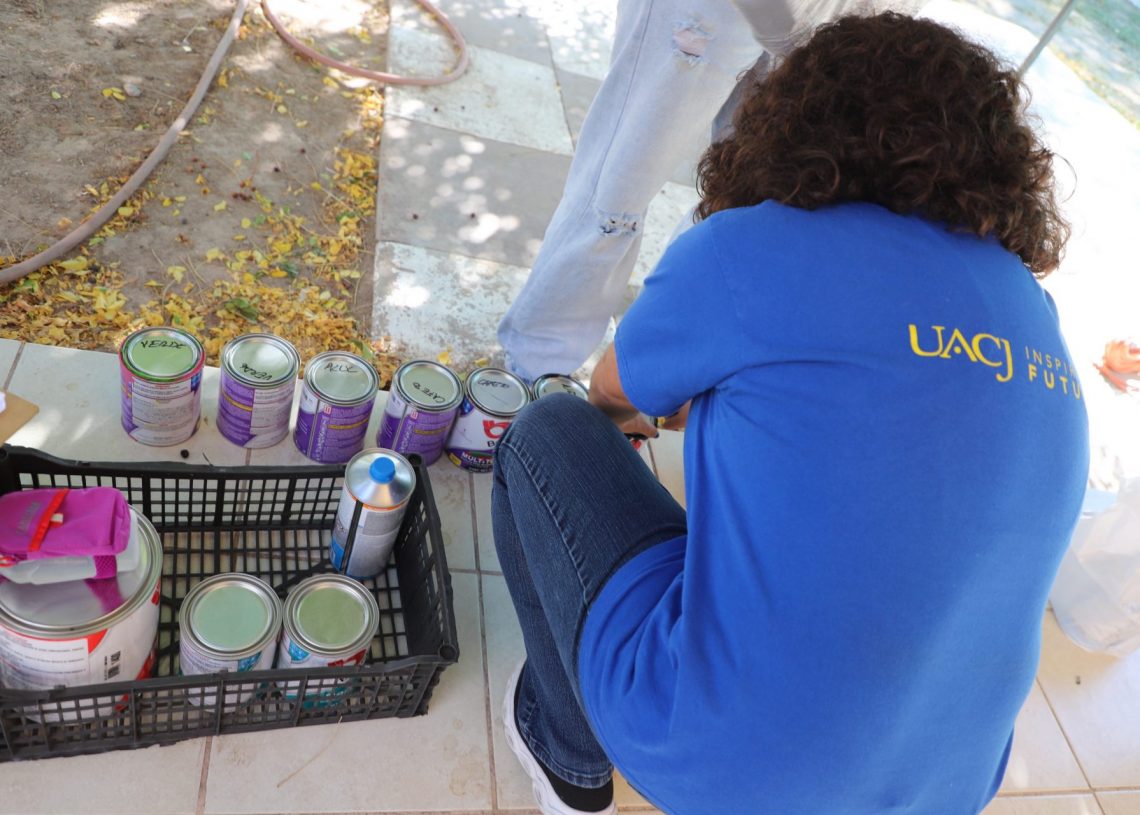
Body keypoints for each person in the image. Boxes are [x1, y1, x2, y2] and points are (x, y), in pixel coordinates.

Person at [491, 12, 1089, 815]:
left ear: (798, 118)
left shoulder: (750, 247)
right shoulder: (1035, 312)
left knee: (549, 433)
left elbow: (613, 391)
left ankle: (566, 752)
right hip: (947, 785)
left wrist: (654, 409)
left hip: (729, 769)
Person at [497, 0, 923, 383]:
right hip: (709, 10)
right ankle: (533, 371)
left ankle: (647, 376)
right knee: (615, 197)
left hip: (836, 19)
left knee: (742, 208)